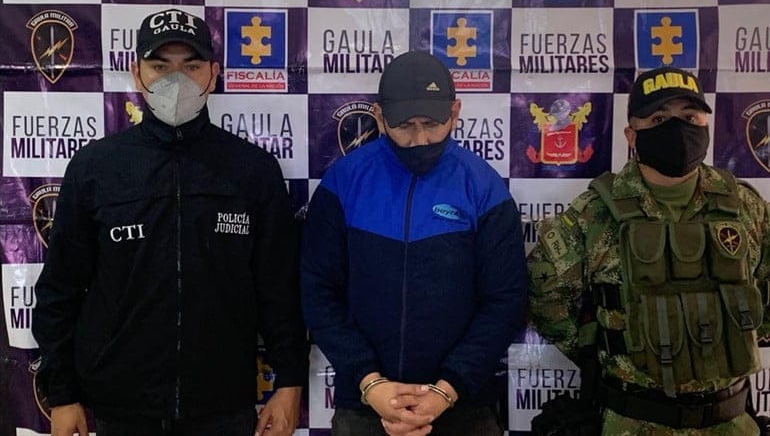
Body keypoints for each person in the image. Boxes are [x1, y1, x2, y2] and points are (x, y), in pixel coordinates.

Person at [32, 8, 308, 436]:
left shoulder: (252, 170)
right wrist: (63, 394)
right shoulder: (96, 168)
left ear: (213, 74)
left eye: (191, 66)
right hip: (119, 408)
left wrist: (289, 382)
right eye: (160, 66)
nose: (175, 81)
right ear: (137, 73)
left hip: (223, 406)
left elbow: (278, 289)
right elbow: (60, 289)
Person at [528, 66, 770, 436]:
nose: (677, 129)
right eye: (658, 119)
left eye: (690, 117)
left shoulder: (745, 206)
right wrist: (610, 350)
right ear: (631, 134)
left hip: (731, 421)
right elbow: (546, 296)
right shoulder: (594, 213)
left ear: (706, 125)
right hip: (634, 421)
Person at [300, 50, 528, 436]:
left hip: (464, 407)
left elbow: (506, 300)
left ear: (455, 112)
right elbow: (318, 291)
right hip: (365, 407)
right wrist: (370, 381)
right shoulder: (343, 183)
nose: (419, 139)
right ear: (379, 116)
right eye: (405, 125)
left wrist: (447, 389)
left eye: (432, 124)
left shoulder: (484, 187)